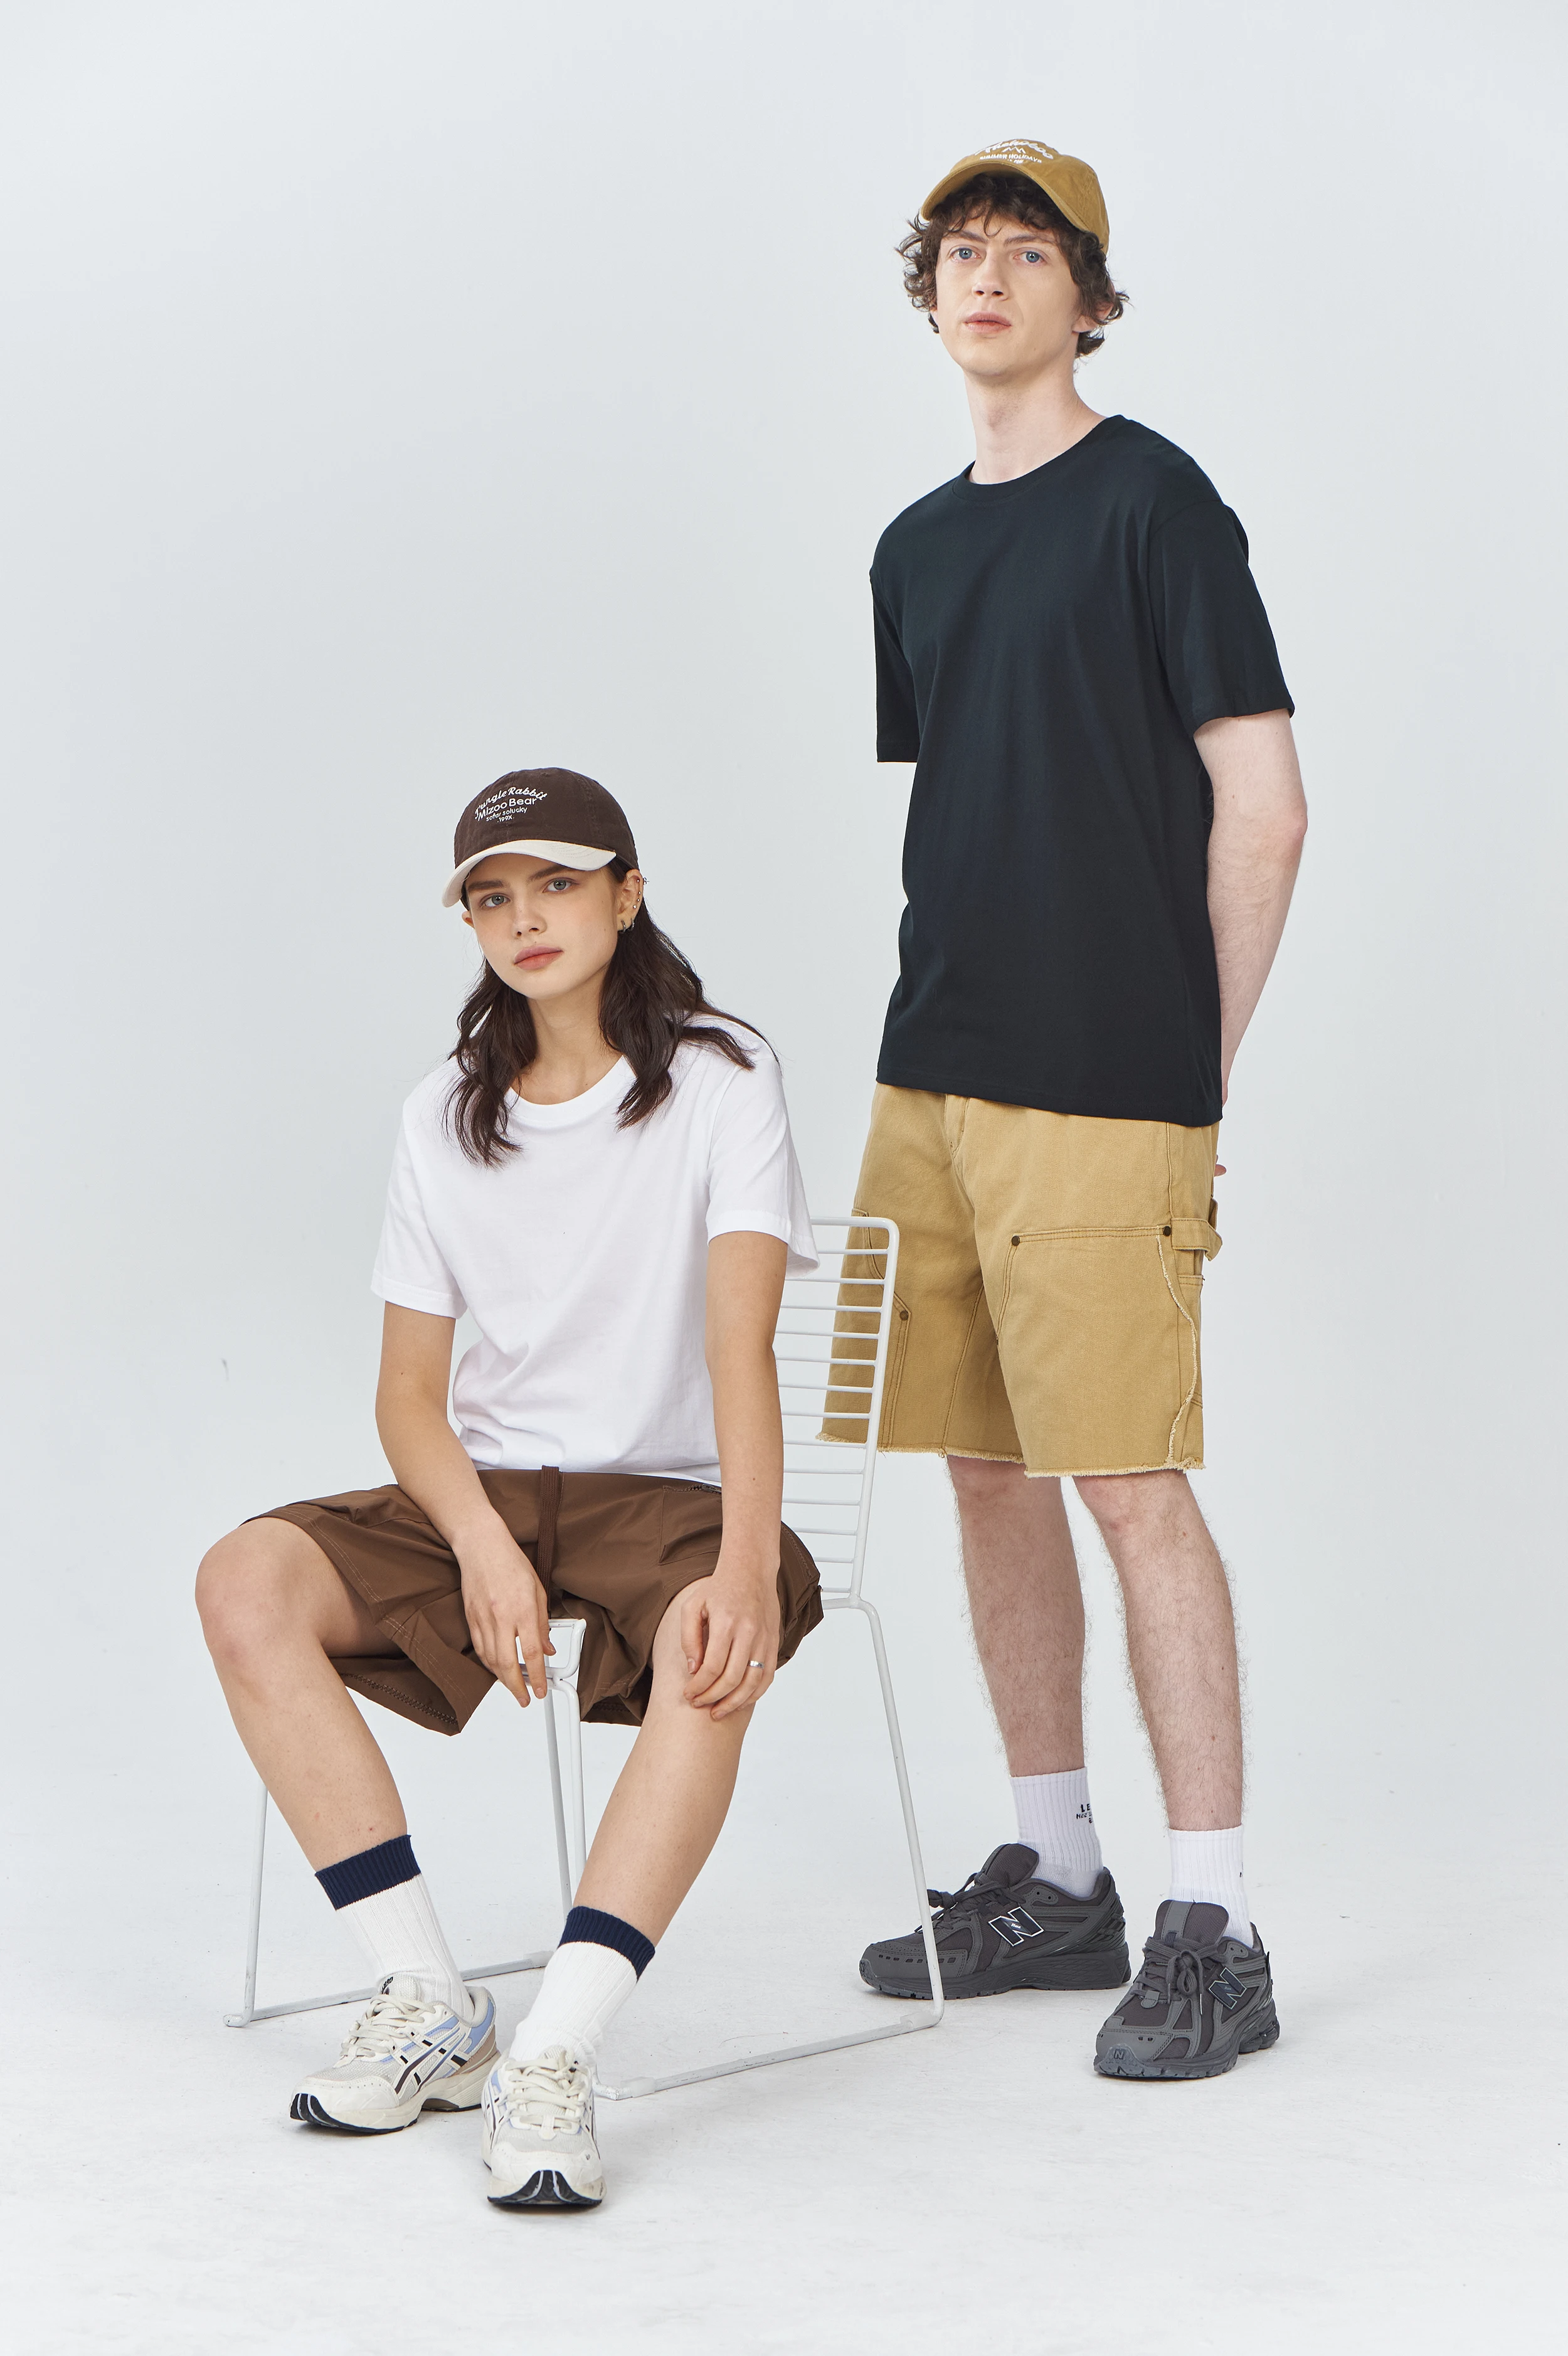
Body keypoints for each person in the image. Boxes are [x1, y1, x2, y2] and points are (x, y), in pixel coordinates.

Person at [197, 767, 821, 2204]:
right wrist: (477, 1541)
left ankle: (555, 2049)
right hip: (484, 1488)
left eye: (556, 883)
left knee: (711, 1642)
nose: (524, 917)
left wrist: (742, 1566)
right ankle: (429, 1998)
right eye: (492, 896)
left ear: (627, 894)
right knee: (245, 1581)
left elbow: (739, 1348)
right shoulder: (444, 1110)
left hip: (666, 1496)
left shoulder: (723, 1075)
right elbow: (406, 1396)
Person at [844, 141, 1306, 2079]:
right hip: (926, 1069)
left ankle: (1214, 1917)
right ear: (927, 294)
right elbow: (977, 798)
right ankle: (1057, 1870)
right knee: (974, 1462)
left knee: (1125, 1477)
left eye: (1026, 252)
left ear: (1087, 303)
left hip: (1105, 1087)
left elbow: (1261, 806)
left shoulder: (1156, 501)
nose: (985, 275)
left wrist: (1187, 1069)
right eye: (958, 250)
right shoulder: (911, 548)